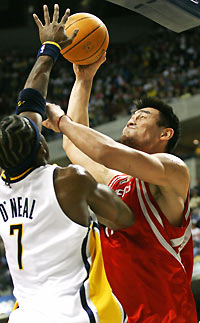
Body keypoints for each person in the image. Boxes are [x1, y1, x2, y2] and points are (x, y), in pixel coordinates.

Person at [0, 5, 133, 323]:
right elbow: (123, 219)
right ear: (41, 145)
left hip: (25, 316)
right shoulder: (70, 179)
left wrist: (50, 49)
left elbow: (30, 100)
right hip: (74, 314)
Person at [43, 55, 197, 322]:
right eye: (133, 114)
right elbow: (73, 147)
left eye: (143, 116)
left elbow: (104, 151)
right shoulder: (116, 180)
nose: (132, 118)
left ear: (165, 134)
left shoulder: (174, 170)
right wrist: (83, 79)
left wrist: (62, 122)